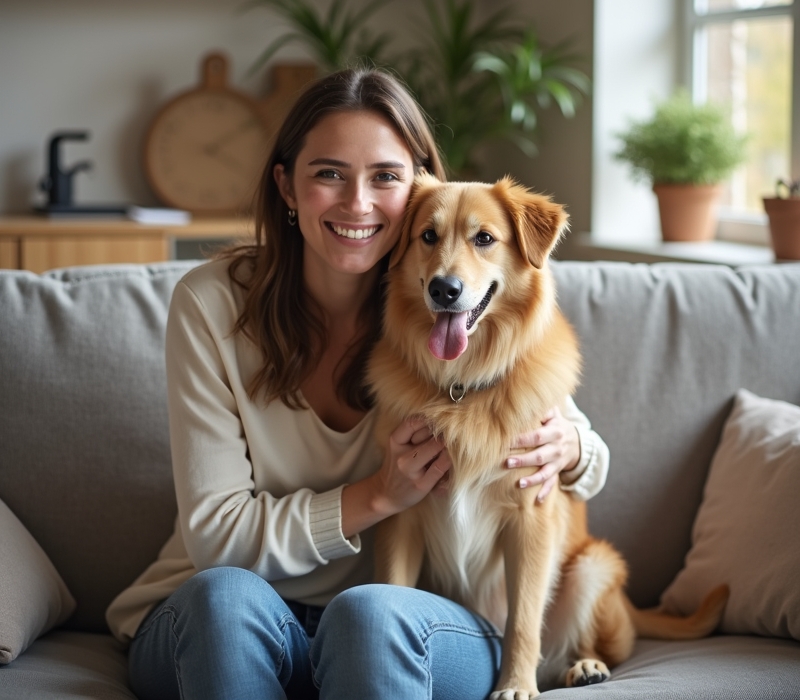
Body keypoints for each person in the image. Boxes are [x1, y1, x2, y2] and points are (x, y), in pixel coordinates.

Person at [106, 67, 610, 700]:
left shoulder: (439, 299)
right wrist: (378, 494)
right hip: (232, 614)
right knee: (224, 602)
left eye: (386, 177)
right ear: (286, 185)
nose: (358, 203)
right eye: (328, 173)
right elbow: (217, 538)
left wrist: (576, 450)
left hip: (383, 624)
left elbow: (552, 420)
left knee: (371, 617)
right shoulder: (210, 307)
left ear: (419, 189)